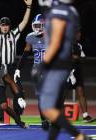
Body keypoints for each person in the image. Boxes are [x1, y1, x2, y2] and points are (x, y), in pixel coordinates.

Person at [33, 0, 92, 139]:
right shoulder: (69, 11)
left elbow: (56, 40)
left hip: (57, 64)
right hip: (62, 63)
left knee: (47, 107)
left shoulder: (58, 11)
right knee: (56, 108)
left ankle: (79, 136)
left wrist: (43, 64)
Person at [0, 0, 32, 123]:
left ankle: (17, 117)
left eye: (6, 25)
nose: (4, 27)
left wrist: (29, 6)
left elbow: (24, 22)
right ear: (0, 26)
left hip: (11, 68)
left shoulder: (14, 34)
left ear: (9, 26)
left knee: (18, 92)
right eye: (2, 25)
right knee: (0, 94)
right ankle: (1, 120)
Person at [14, 14, 50, 130]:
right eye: (35, 25)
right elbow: (25, 53)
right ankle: (44, 119)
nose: (37, 28)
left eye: (39, 25)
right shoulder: (30, 37)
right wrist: (18, 69)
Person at [66, 30, 95, 123]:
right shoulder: (65, 44)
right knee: (62, 94)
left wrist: (77, 58)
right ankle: (55, 115)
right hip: (67, 72)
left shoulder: (79, 46)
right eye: (77, 33)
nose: (79, 34)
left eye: (80, 33)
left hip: (77, 72)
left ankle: (85, 115)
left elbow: (83, 57)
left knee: (81, 92)